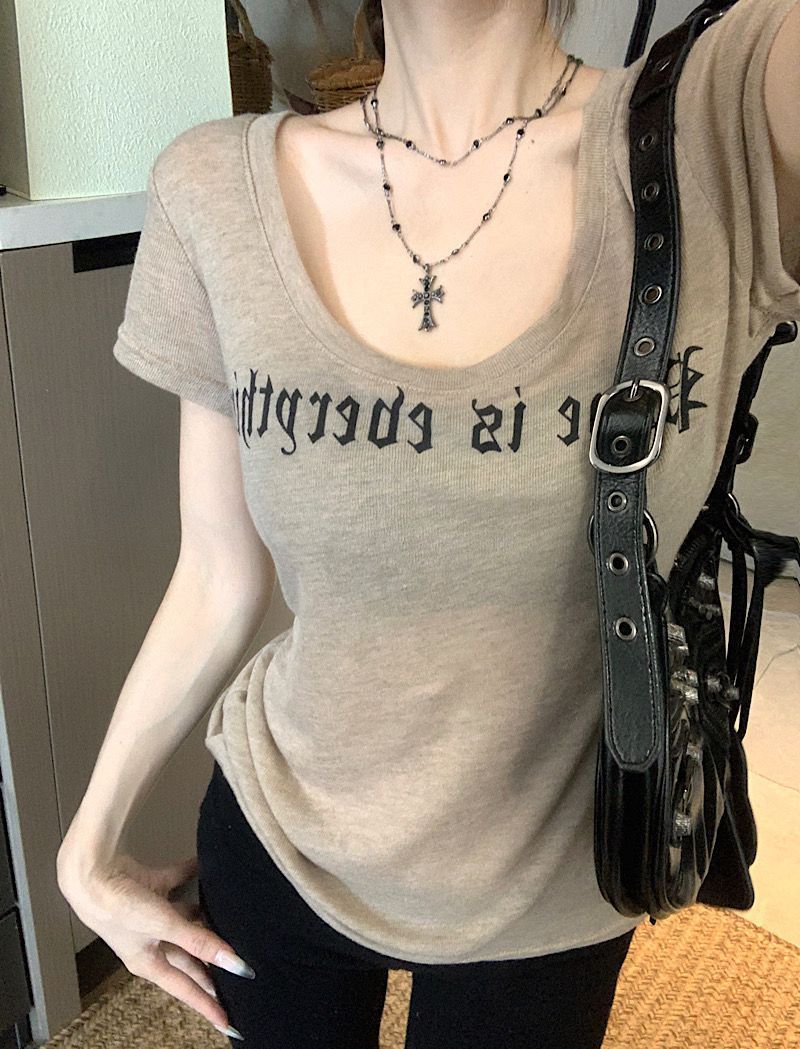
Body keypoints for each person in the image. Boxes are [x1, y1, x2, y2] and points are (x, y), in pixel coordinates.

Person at [56, 0, 800, 1045]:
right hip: (279, 840)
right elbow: (217, 572)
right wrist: (85, 845)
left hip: (550, 882)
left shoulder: (723, 125)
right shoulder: (211, 186)